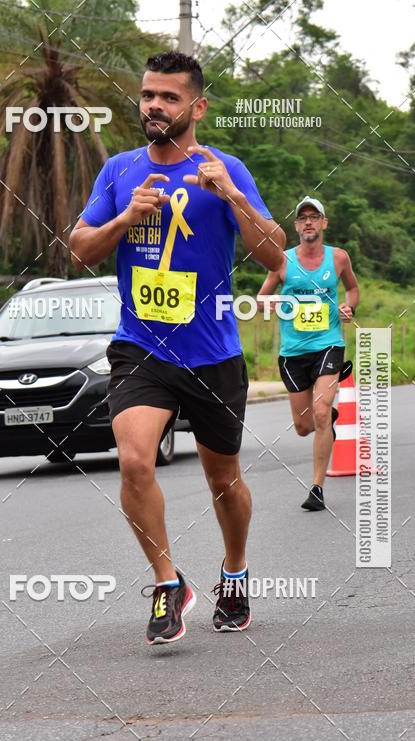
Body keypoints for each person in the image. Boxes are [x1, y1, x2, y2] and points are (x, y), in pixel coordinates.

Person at [69, 51, 285, 643]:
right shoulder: (119, 171)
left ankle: (234, 571)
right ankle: (168, 584)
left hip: (213, 351)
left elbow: (274, 256)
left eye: (168, 97)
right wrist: (124, 219)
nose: (155, 106)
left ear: (196, 105)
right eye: (147, 96)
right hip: (140, 345)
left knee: (224, 480)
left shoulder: (226, 167)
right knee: (136, 460)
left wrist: (230, 196)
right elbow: (80, 248)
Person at [258, 196, 359, 511]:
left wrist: (348, 306)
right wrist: (276, 304)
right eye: (303, 219)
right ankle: (328, 419)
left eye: (314, 217)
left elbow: (353, 290)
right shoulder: (283, 261)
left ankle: (317, 487)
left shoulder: (339, 258)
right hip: (293, 352)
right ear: (297, 226)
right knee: (304, 426)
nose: (308, 223)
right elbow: (261, 298)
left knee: (318, 412)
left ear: (324, 223)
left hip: (328, 344)